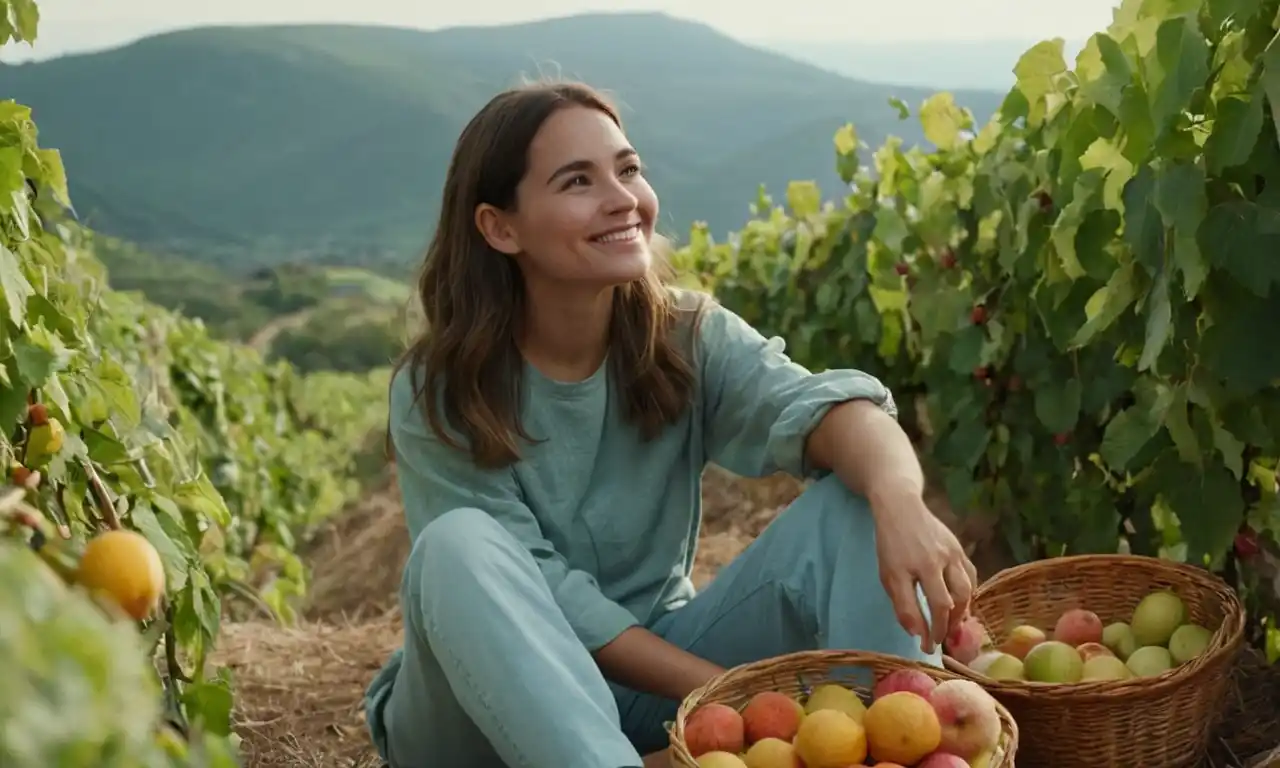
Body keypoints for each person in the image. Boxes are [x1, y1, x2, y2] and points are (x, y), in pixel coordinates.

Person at [363, 80, 979, 768]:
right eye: (577, 181)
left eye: (627, 169)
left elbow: (829, 409)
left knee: (861, 499)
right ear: (500, 227)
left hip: (648, 694)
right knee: (457, 546)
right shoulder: (438, 391)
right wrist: (746, 705)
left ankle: (894, 744)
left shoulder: (683, 334)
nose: (623, 198)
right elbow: (556, 601)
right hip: (476, 715)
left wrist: (899, 502)